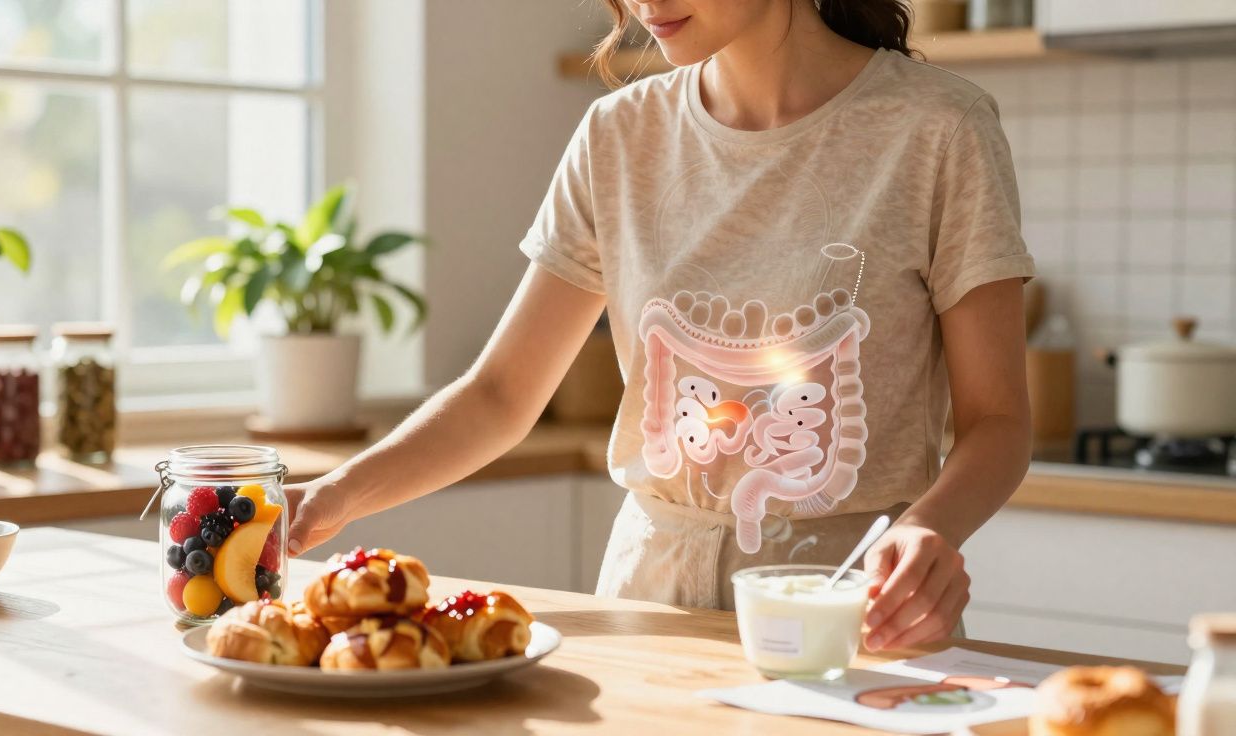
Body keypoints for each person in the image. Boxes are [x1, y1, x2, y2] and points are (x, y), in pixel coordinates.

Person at [285, 0, 1034, 653]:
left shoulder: (940, 129)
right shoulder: (618, 136)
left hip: (853, 611)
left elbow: (998, 421)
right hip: (648, 609)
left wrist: (928, 530)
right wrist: (334, 496)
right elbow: (501, 394)